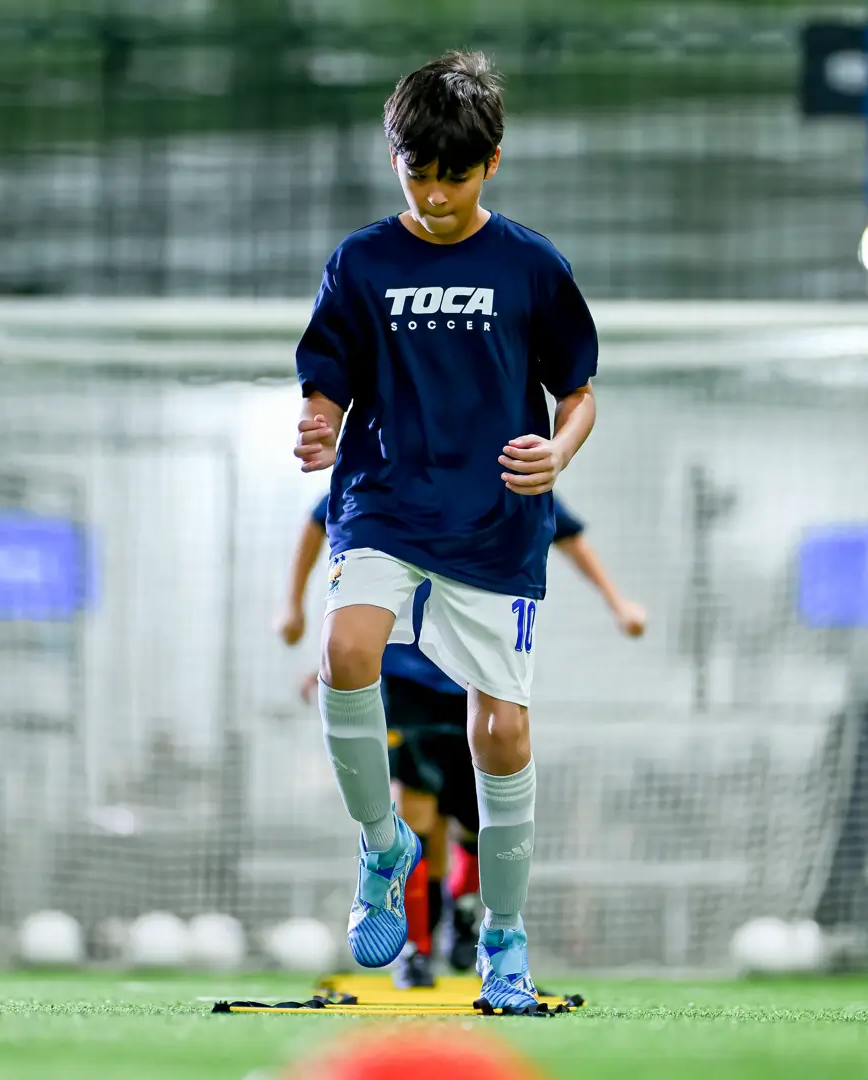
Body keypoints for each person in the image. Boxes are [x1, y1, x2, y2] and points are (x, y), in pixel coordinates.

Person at [292, 50, 599, 1014]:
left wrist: (562, 451)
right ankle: (385, 847)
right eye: (414, 171)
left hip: (495, 521)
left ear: (491, 164)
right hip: (385, 498)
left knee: (500, 735)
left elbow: (578, 390)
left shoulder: (531, 263)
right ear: (395, 159)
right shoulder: (362, 261)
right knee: (347, 650)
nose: (432, 193)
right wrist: (318, 418)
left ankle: (503, 943)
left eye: (452, 175)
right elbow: (328, 371)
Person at [279, 493, 647, 986]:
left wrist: (618, 602)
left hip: (476, 676)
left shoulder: (498, 464)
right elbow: (325, 523)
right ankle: (416, 945)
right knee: (416, 810)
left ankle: (468, 911)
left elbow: (568, 533)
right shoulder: (392, 459)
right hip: (407, 676)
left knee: (475, 818)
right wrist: (298, 611)